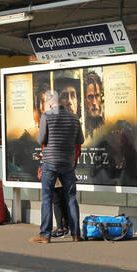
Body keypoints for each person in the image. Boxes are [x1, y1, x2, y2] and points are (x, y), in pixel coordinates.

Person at [30, 90, 83, 243]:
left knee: (47, 198)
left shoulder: (47, 116)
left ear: (50, 103)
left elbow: (41, 139)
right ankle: (75, 234)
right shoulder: (74, 118)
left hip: (50, 163)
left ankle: (45, 235)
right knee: (71, 198)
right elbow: (80, 139)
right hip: (67, 163)